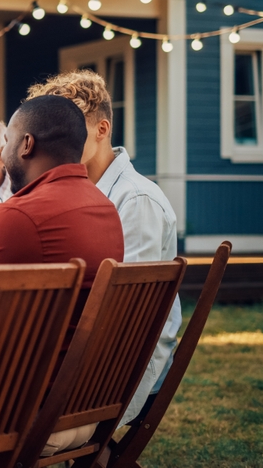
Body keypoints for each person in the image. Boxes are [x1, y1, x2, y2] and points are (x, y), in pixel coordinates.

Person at [25, 70, 180, 427]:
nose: (59, 141)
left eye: (72, 129)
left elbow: (130, 322)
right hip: (72, 355)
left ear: (102, 130)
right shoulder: (67, 191)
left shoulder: (136, 200)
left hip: (114, 376)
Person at [0, 94, 124, 455]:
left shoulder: (16, 217)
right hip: (87, 407)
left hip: (21, 413)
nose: (1, 153)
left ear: (26, 145)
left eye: (6, 141)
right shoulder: (105, 209)